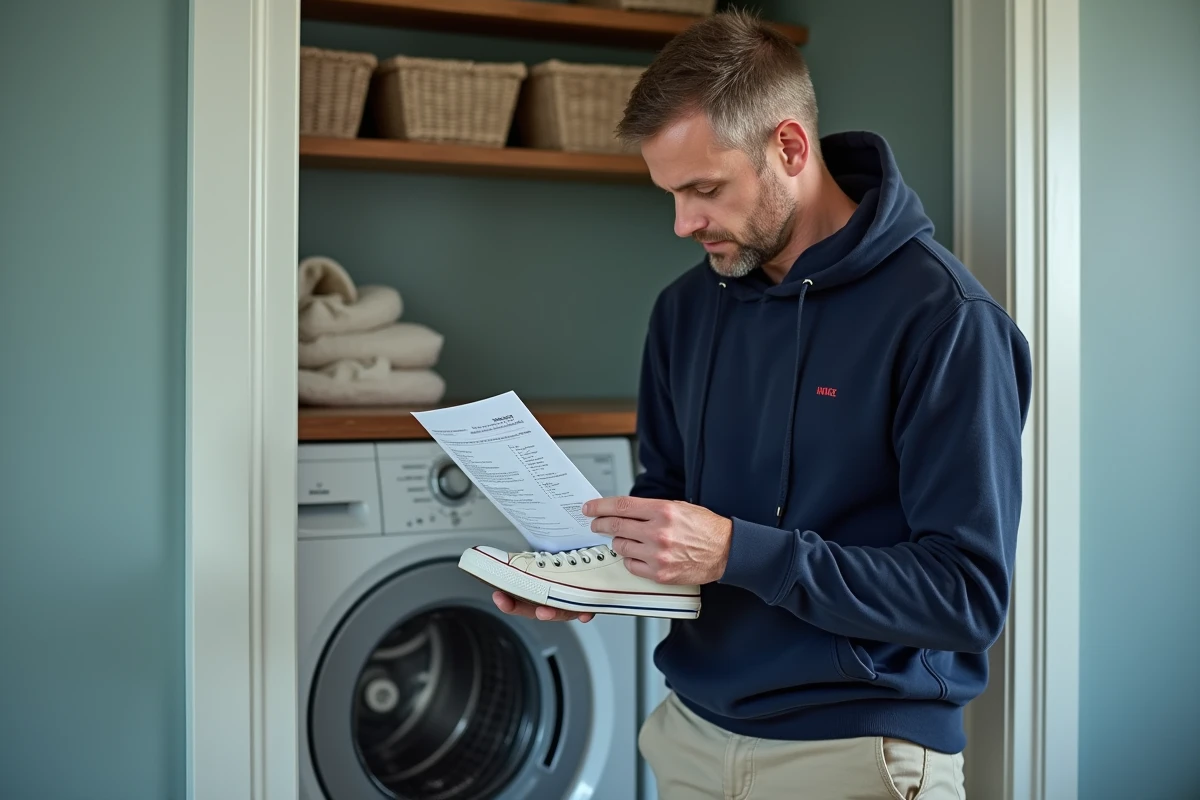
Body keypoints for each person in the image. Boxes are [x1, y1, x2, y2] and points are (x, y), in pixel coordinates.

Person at [492, 9, 1031, 798]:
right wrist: (591, 581)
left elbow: (966, 597)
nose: (683, 223)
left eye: (705, 190)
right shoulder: (684, 310)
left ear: (789, 147)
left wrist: (735, 552)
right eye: (670, 194)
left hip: (857, 753)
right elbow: (669, 504)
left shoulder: (946, 321)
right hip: (689, 739)